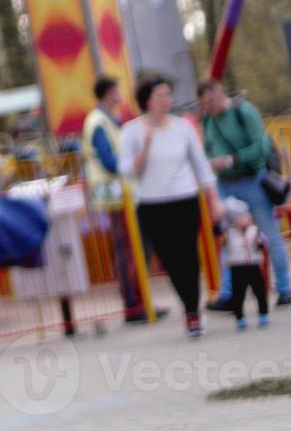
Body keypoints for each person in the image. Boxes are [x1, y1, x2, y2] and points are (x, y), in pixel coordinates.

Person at [119, 75, 222, 338]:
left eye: (168, 95)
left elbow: (201, 165)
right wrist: (144, 149)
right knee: (170, 260)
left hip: (185, 200)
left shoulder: (182, 127)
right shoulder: (132, 131)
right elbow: (127, 170)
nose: (166, 100)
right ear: (147, 101)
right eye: (160, 96)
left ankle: (192, 311)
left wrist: (214, 200)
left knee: (189, 257)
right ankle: (189, 304)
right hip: (153, 205)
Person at [197, 79, 291, 309]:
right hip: (224, 183)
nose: (208, 106)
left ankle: (284, 288)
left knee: (269, 232)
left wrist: (234, 159)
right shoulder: (208, 119)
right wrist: (213, 162)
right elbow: (207, 148)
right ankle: (228, 294)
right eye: (204, 103)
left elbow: (261, 146)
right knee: (227, 238)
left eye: (210, 101)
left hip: (252, 179)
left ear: (220, 93)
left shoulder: (244, 112)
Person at [84, 75, 159, 323]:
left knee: (131, 245)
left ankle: (140, 299)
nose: (121, 94)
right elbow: (109, 160)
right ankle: (134, 303)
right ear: (109, 93)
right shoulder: (98, 122)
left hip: (121, 191)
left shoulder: (107, 121)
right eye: (117, 90)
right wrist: (132, 166)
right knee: (128, 247)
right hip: (115, 192)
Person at [219, 197, 270, 329]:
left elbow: (262, 244)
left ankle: (263, 313)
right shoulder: (228, 233)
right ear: (233, 220)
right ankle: (239, 317)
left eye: (247, 214)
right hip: (237, 266)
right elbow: (221, 242)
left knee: (259, 291)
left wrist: (260, 243)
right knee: (238, 294)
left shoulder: (254, 230)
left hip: (253, 264)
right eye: (242, 216)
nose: (246, 217)